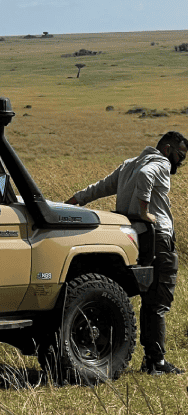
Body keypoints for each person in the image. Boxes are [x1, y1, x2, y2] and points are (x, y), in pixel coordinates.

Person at [65, 131, 187, 375]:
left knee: (142, 298)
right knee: (158, 302)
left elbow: (102, 186)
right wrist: (144, 210)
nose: (181, 161)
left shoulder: (130, 164)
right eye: (180, 155)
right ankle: (156, 361)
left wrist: (76, 200)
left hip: (131, 238)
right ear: (167, 149)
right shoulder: (159, 163)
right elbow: (147, 175)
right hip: (157, 238)